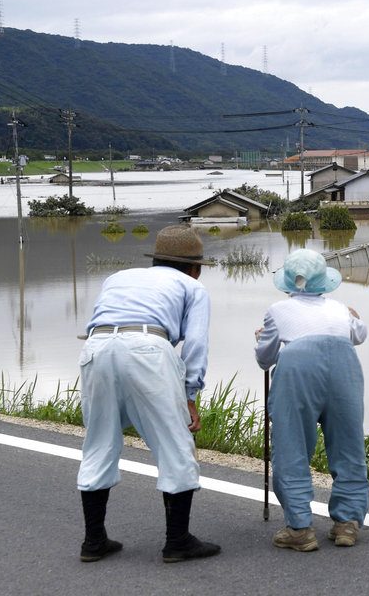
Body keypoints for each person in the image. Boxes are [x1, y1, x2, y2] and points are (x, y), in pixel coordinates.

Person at [76, 224, 221, 563]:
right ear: (195, 268)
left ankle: (94, 541)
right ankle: (178, 541)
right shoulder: (192, 287)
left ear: (156, 259)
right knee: (175, 444)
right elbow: (196, 343)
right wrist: (190, 396)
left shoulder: (118, 278)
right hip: (148, 349)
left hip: (96, 347)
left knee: (99, 442)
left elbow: (104, 320)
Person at [255, 249, 369, 552]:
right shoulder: (341, 308)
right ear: (325, 282)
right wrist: (352, 317)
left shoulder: (277, 310)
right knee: (348, 445)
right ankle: (347, 523)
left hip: (298, 369)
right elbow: (360, 335)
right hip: (344, 366)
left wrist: (262, 338)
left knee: (292, 446)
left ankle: (300, 528)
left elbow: (265, 359)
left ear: (288, 282)